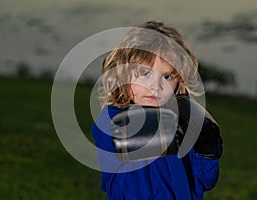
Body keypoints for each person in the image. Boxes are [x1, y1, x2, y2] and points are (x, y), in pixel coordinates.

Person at [91, 21, 223, 200]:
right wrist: (151, 136)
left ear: (179, 80)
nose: (155, 86)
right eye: (145, 74)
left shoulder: (182, 118)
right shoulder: (112, 120)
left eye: (167, 76)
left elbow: (204, 182)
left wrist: (207, 152)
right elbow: (120, 190)